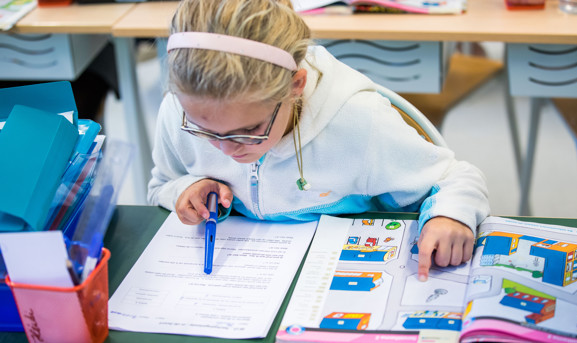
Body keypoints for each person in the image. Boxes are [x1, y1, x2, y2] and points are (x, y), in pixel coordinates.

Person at [148, 0, 490, 281]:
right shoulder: (176, 109)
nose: (225, 149)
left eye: (249, 130)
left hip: (346, 275)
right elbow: (161, 184)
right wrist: (183, 190)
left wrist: (450, 216)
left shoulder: (359, 122)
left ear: (296, 85)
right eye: (203, 129)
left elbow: (455, 177)